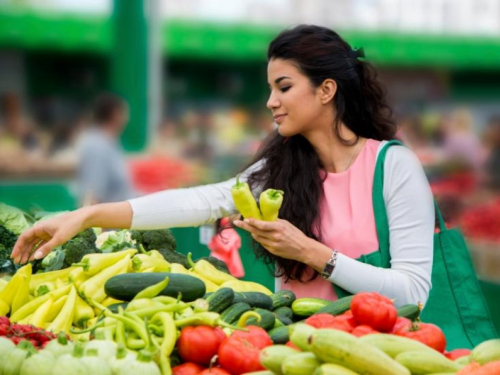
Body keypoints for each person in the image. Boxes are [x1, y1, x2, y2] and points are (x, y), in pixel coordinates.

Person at [11, 25, 434, 307]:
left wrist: (309, 251)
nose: (271, 102)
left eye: (283, 87)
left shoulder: (394, 167)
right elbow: (201, 201)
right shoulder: (283, 169)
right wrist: (88, 216)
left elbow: (413, 292)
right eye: (270, 88)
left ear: (326, 90)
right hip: (295, 352)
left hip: (378, 355)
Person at [75, 93, 136, 205]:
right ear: (116, 114)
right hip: (110, 220)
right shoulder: (97, 146)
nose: (127, 118)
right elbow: (92, 195)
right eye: (125, 113)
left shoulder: (110, 142)